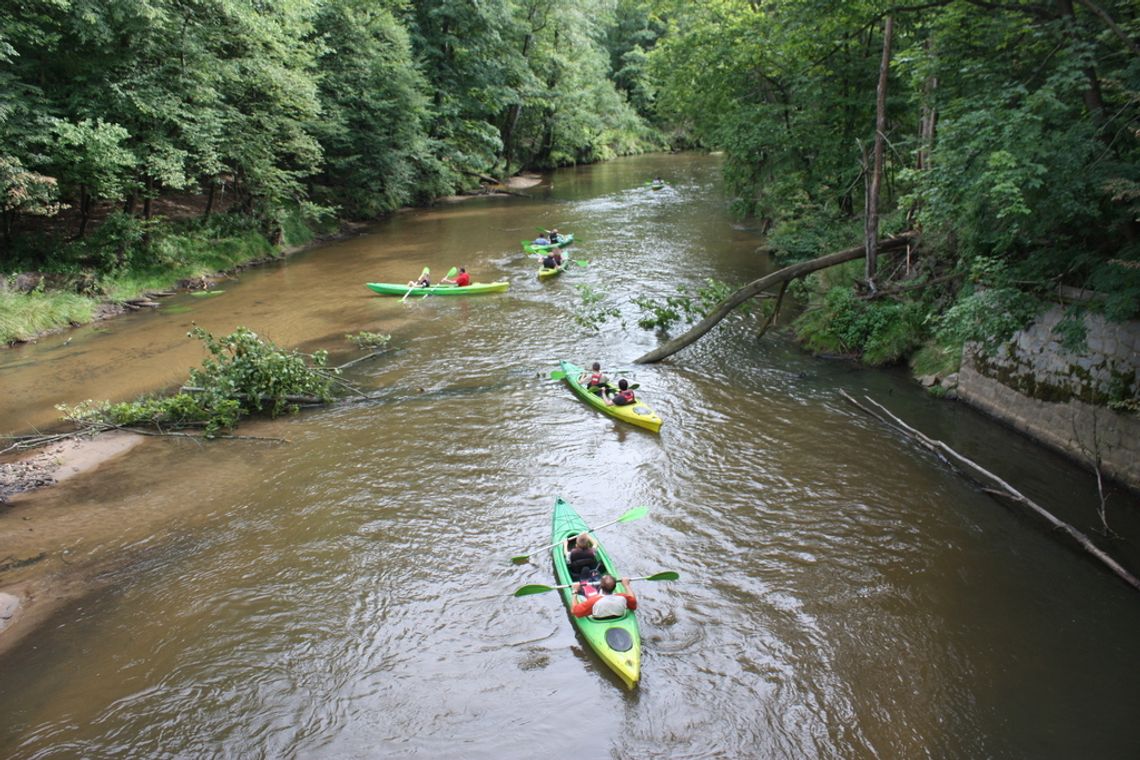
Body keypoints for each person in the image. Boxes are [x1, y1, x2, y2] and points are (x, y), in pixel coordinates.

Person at [571, 575, 637, 619]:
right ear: (615, 586)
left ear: (601, 586)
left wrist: (575, 591)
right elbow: (633, 604)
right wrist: (626, 585)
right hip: (618, 616)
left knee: (581, 597)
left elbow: (575, 612)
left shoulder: (593, 601)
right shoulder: (623, 597)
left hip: (598, 619)